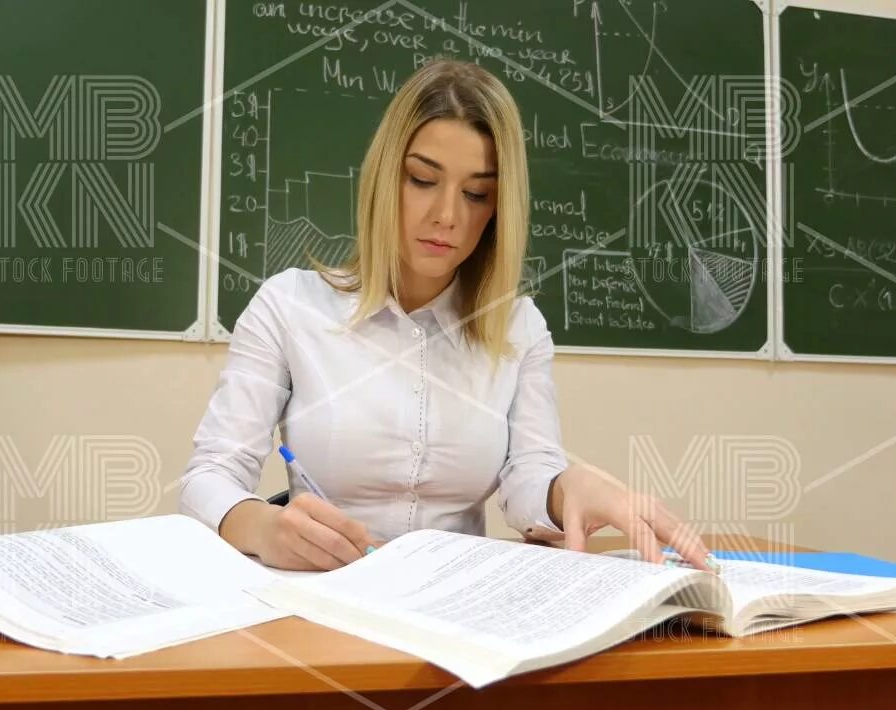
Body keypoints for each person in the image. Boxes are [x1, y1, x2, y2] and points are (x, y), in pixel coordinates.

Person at [179, 59, 711, 572]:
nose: (447, 216)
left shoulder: (519, 327)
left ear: (499, 208)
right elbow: (210, 475)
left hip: (458, 605)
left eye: (477, 193)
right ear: (386, 177)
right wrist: (260, 526)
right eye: (421, 179)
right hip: (322, 598)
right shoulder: (289, 306)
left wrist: (564, 488)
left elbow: (529, 474)